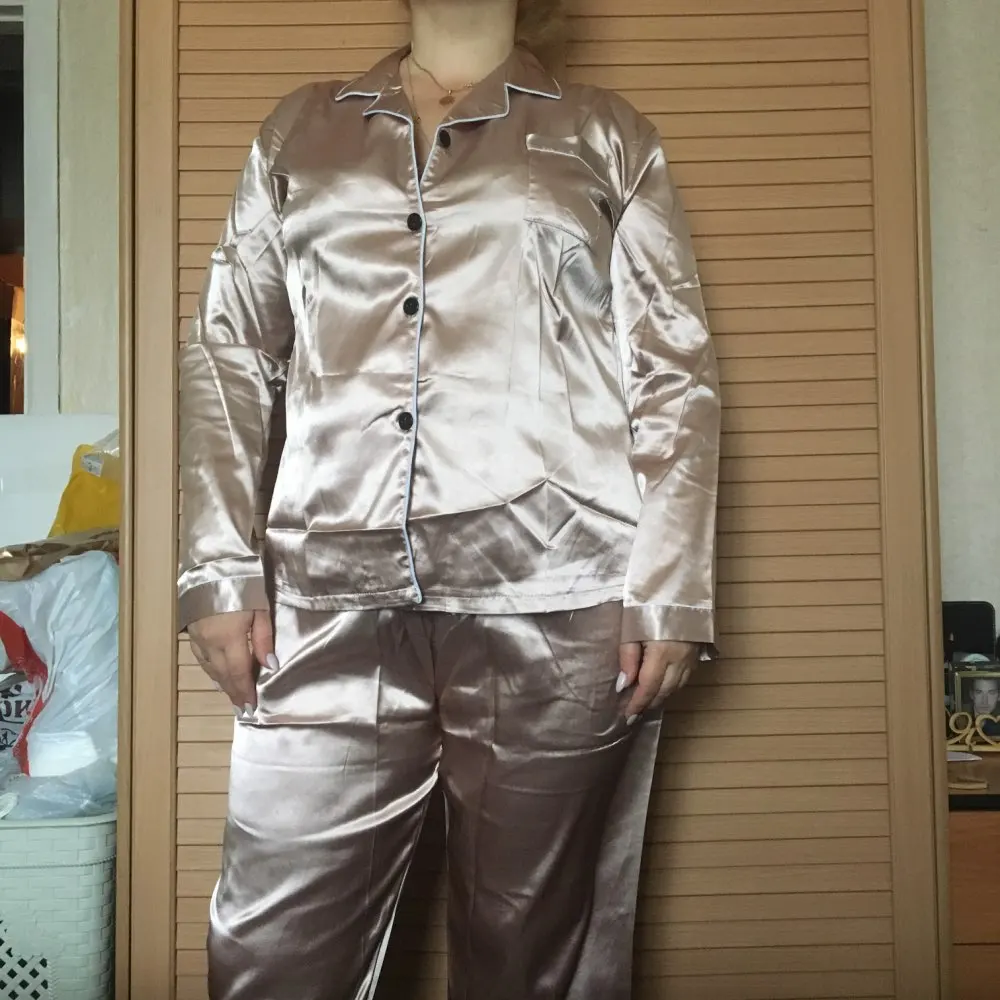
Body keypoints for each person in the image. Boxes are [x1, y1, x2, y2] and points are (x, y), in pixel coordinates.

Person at [178, 0, 720, 997]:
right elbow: (231, 352)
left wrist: (671, 592)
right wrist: (215, 567)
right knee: (274, 956)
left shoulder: (606, 134)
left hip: (558, 593)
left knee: (532, 955)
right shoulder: (300, 129)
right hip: (324, 594)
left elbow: (670, 373)